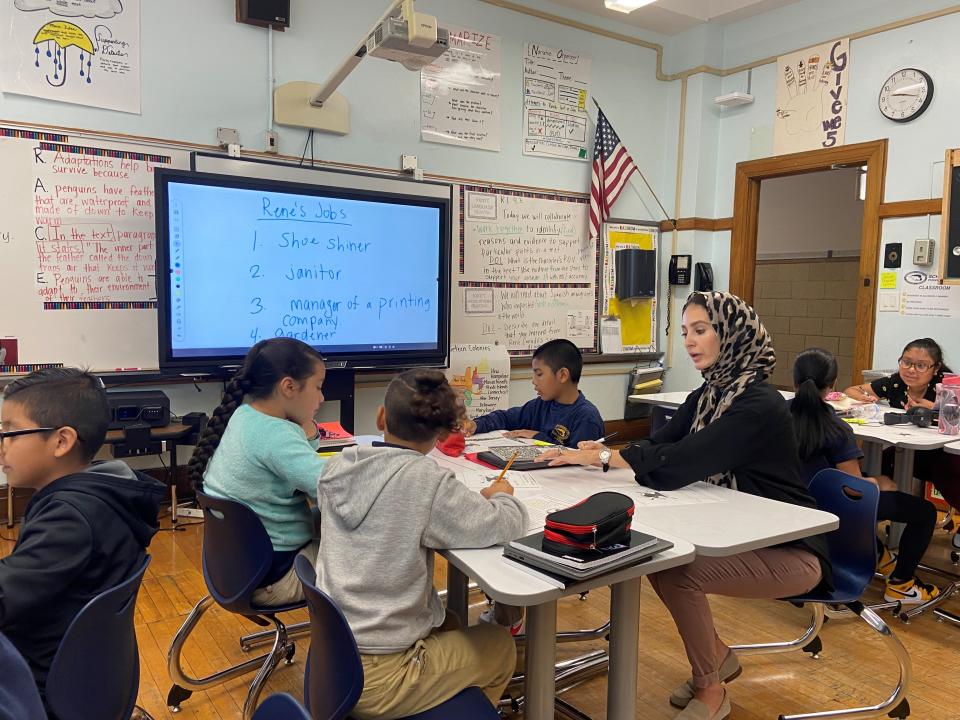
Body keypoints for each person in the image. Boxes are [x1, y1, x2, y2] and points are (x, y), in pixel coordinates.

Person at [544, 291, 831, 720]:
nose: (690, 342)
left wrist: (603, 458)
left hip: (795, 553)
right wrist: (603, 451)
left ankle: (710, 687)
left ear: (733, 334)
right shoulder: (710, 393)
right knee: (663, 563)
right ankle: (717, 657)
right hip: (739, 532)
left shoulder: (759, 404)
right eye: (684, 333)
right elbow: (662, 442)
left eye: (701, 330)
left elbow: (684, 461)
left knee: (678, 573)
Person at [314, 369, 526, 719]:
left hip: (333, 657)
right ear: (440, 435)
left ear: (381, 416)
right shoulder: (427, 482)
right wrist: (501, 497)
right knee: (500, 647)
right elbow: (501, 524)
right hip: (384, 675)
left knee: (452, 622)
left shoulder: (336, 466)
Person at [0, 368, 164, 705]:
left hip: (42, 684)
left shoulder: (70, 518)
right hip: (84, 669)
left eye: (11, 432)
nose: (3, 445)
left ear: (61, 441)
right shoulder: (102, 492)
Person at [791, 348, 939, 604]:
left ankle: (880, 555)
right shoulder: (836, 427)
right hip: (827, 506)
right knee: (924, 512)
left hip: (790, 500)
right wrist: (879, 483)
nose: (912, 369)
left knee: (873, 482)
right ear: (833, 385)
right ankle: (902, 584)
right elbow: (854, 490)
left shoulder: (773, 415)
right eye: (907, 362)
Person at [188, 337, 327, 605]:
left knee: (327, 518)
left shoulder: (244, 415)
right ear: (288, 386)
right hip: (276, 578)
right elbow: (333, 486)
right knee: (366, 545)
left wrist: (306, 427)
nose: (321, 397)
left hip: (239, 569)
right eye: (318, 387)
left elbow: (298, 459)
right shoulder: (276, 434)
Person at [843, 337, 960, 531]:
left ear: (936, 368)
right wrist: (867, 399)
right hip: (907, 449)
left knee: (949, 475)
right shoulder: (896, 382)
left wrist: (934, 408)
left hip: (943, 454)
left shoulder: (948, 385)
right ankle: (869, 527)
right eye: (906, 362)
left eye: (921, 365)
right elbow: (851, 390)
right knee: (873, 466)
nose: (911, 370)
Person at [461, 338, 603, 447]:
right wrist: (476, 424)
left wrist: (537, 437)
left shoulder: (586, 417)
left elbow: (579, 460)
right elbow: (505, 418)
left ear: (562, 375)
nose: (533, 381)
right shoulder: (540, 406)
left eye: (539, 374)